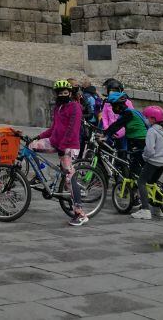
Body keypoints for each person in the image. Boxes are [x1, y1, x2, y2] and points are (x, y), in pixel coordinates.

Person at [30, 79, 87, 226]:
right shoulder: (58, 108)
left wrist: (63, 145)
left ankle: (80, 213)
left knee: (69, 177)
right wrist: (39, 136)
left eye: (65, 92)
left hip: (69, 145)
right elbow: (53, 129)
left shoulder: (75, 107)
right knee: (30, 147)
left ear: (70, 93)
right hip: (56, 142)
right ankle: (40, 176)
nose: (62, 95)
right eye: (60, 93)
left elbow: (72, 129)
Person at [132, 105, 163, 221]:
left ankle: (145, 210)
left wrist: (144, 157)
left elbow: (150, 149)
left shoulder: (151, 131)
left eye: (146, 117)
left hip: (154, 161)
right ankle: (157, 208)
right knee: (152, 183)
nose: (145, 119)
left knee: (141, 182)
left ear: (153, 119)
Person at [104, 93, 148, 181]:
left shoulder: (128, 113)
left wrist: (105, 136)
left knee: (138, 165)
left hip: (139, 140)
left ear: (119, 106)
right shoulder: (128, 112)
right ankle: (136, 185)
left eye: (114, 106)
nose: (113, 109)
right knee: (133, 163)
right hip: (134, 140)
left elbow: (117, 125)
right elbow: (115, 126)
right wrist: (107, 133)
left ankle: (144, 184)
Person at [100, 78, 135, 148]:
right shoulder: (107, 102)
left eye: (114, 91)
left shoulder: (127, 102)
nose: (112, 92)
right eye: (110, 91)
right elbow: (104, 116)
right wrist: (107, 128)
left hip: (122, 133)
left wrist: (121, 132)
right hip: (110, 131)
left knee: (122, 151)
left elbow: (129, 119)